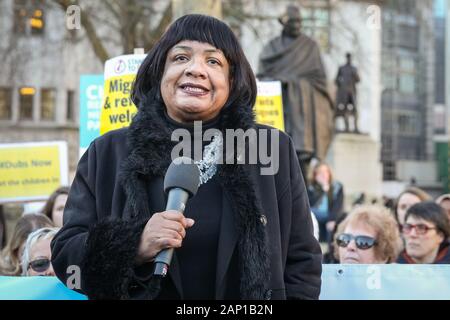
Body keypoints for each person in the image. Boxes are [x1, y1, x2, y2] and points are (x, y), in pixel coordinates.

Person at [51, 14, 322, 300]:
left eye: (213, 61)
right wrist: (134, 244)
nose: (195, 69)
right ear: (159, 73)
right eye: (180, 58)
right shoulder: (106, 152)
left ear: (232, 81)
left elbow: (302, 259)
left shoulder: (271, 148)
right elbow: (66, 256)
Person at [257, 4, 334, 178]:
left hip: (302, 116)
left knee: (299, 168)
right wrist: (279, 82)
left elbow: (320, 80)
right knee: (273, 162)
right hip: (278, 111)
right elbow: (260, 77)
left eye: (300, 22)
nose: (297, 26)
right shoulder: (272, 47)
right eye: (293, 22)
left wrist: (295, 84)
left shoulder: (310, 47)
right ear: (284, 23)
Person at [334, 205, 402, 264]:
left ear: (383, 255)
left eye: (363, 242)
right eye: (344, 239)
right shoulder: (325, 277)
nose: (350, 247)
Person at [307, 162, 344, 243]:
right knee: (308, 213)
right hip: (316, 214)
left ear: (329, 173)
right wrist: (322, 189)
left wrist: (332, 219)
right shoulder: (311, 188)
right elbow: (310, 204)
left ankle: (330, 250)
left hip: (330, 214)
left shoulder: (337, 186)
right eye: (320, 173)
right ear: (315, 175)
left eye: (325, 172)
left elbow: (337, 206)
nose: (323, 175)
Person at [335, 53, 360, 133]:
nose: (349, 59)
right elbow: (336, 80)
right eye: (348, 58)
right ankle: (347, 128)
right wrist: (341, 84)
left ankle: (356, 128)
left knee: (355, 110)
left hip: (352, 92)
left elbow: (358, 80)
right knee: (345, 109)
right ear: (346, 58)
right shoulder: (342, 68)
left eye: (350, 58)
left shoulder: (354, 69)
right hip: (344, 92)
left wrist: (355, 76)